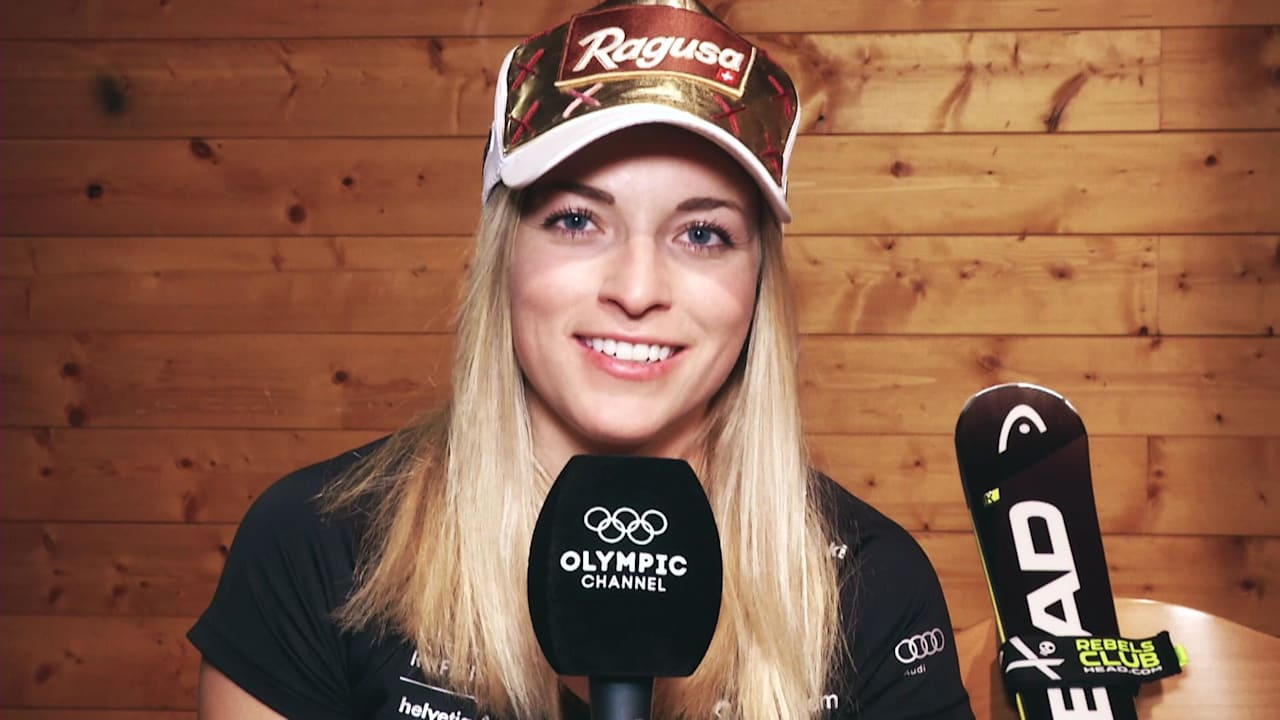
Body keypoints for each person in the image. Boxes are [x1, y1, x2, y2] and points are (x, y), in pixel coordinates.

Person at [188, 1, 975, 718]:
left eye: (702, 234)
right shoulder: (318, 543)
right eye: (576, 220)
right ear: (504, 254)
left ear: (758, 283)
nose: (636, 290)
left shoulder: (872, 586)